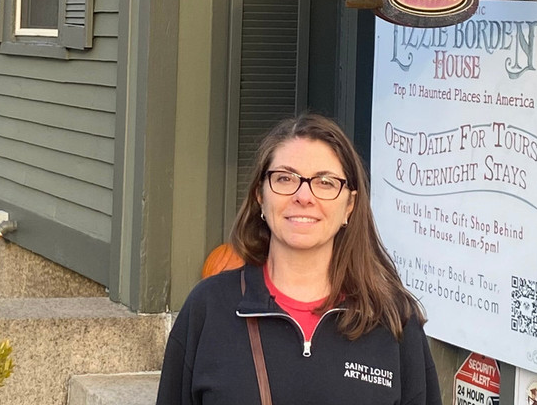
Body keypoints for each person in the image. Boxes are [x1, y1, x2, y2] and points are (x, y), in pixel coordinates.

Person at [156, 113, 441, 405]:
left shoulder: (393, 319)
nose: (303, 196)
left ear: (349, 206)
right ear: (260, 196)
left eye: (325, 182)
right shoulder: (209, 308)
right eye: (284, 178)